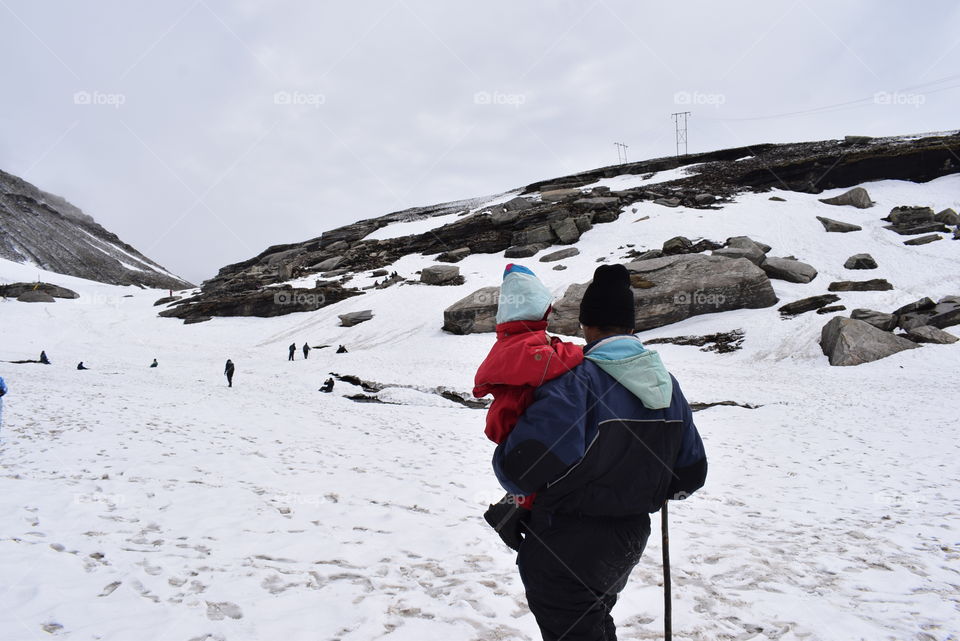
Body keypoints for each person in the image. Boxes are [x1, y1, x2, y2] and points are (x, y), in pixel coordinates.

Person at [491, 264, 707, 641]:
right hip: (629, 537)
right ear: (632, 327)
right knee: (591, 620)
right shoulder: (667, 385)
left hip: (567, 541)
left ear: (587, 326)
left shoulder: (578, 381)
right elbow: (690, 475)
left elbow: (521, 469)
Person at [474, 264, 584, 512]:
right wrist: (579, 351)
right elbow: (549, 363)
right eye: (546, 309)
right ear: (532, 308)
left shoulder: (514, 339)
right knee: (533, 481)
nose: (549, 314)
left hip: (518, 433)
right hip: (517, 433)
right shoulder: (522, 345)